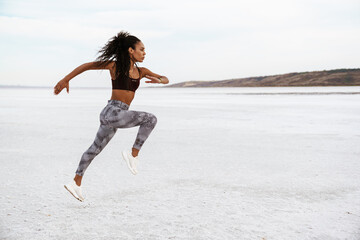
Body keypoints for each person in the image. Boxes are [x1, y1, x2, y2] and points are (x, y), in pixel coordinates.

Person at [54, 31, 169, 202]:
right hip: (113, 112)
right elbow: (87, 65)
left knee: (94, 149)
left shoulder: (142, 71)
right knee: (150, 119)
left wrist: (159, 80)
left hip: (115, 115)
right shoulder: (114, 66)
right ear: (131, 50)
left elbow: (165, 79)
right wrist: (65, 79)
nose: (144, 53)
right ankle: (133, 154)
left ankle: (75, 182)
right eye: (141, 49)